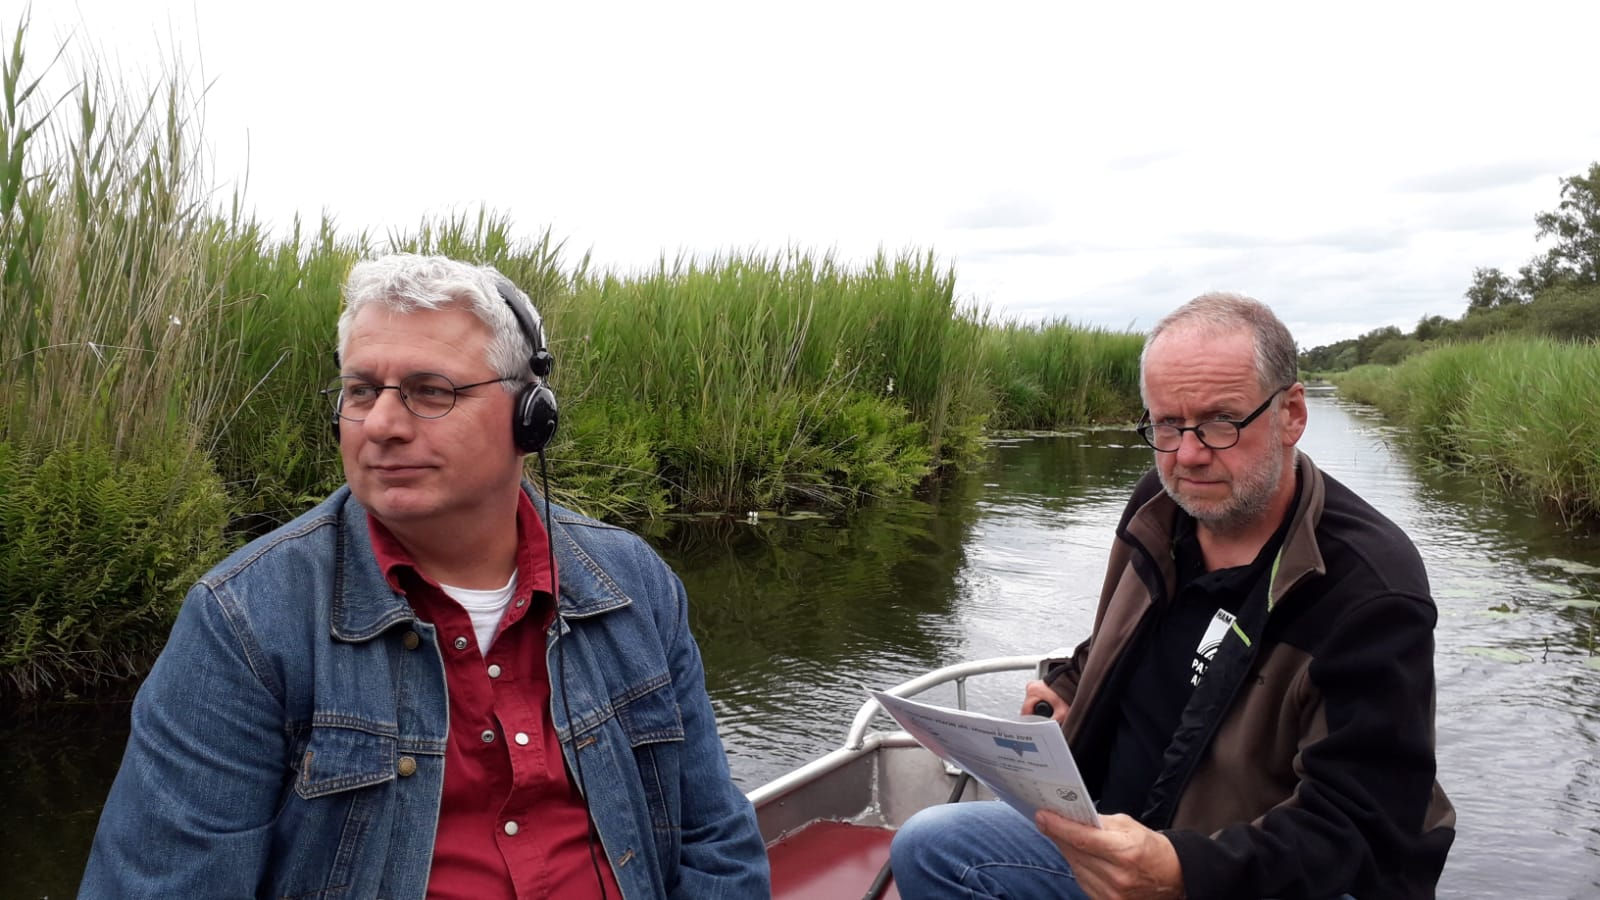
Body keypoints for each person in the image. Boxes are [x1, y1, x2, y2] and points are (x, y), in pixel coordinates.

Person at [80, 254, 769, 899]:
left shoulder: (631, 583)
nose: (380, 424)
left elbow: (713, 839)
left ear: (531, 418)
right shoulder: (246, 622)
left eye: (428, 392)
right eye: (360, 390)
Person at [891, 293, 1455, 899]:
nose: (1188, 455)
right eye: (1166, 424)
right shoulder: (1160, 508)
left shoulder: (1366, 587)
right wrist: (1066, 687)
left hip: (1256, 875)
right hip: (1123, 836)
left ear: (1292, 413)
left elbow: (1363, 828)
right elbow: (1116, 635)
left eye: (1221, 422)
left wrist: (1183, 872)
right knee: (932, 845)